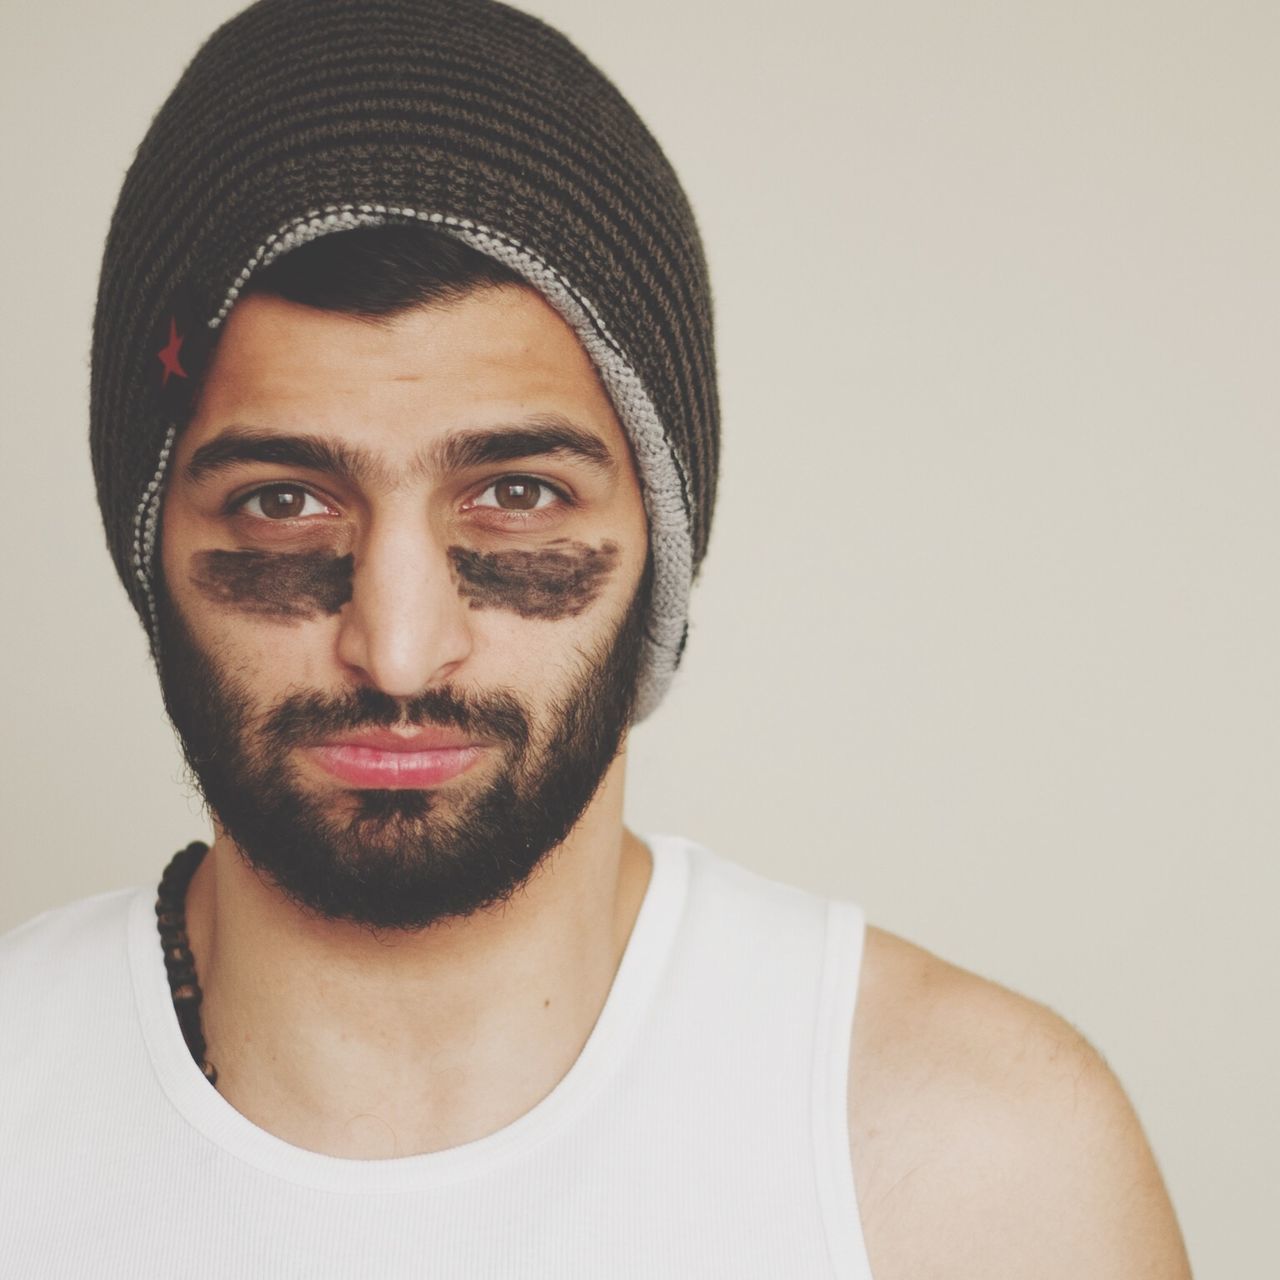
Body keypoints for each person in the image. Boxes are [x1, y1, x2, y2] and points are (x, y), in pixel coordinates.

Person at [0, 0, 1191, 1275]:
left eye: (514, 495)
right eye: (283, 502)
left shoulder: (970, 1164)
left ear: (665, 542)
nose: (399, 651)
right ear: (150, 543)